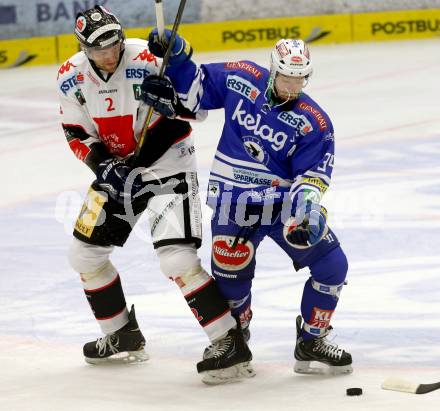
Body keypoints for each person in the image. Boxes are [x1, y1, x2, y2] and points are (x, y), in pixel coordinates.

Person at [56, 5, 253, 383]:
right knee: (83, 254)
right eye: (99, 51)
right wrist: (103, 167)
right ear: (83, 49)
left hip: (168, 166)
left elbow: (196, 112)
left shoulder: (148, 58)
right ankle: (120, 334)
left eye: (113, 45)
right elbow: (75, 133)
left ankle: (228, 340)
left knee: (175, 259)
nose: (110, 55)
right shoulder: (70, 76)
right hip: (118, 174)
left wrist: (173, 101)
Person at [142, 32, 353, 376]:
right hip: (233, 203)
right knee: (231, 285)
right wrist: (178, 57)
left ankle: (312, 340)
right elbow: (196, 92)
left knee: (333, 266)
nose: (292, 86)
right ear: (273, 70)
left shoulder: (315, 122)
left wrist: (307, 210)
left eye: (300, 78)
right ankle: (234, 343)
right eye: (287, 77)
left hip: (282, 206)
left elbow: (312, 176)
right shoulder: (241, 77)